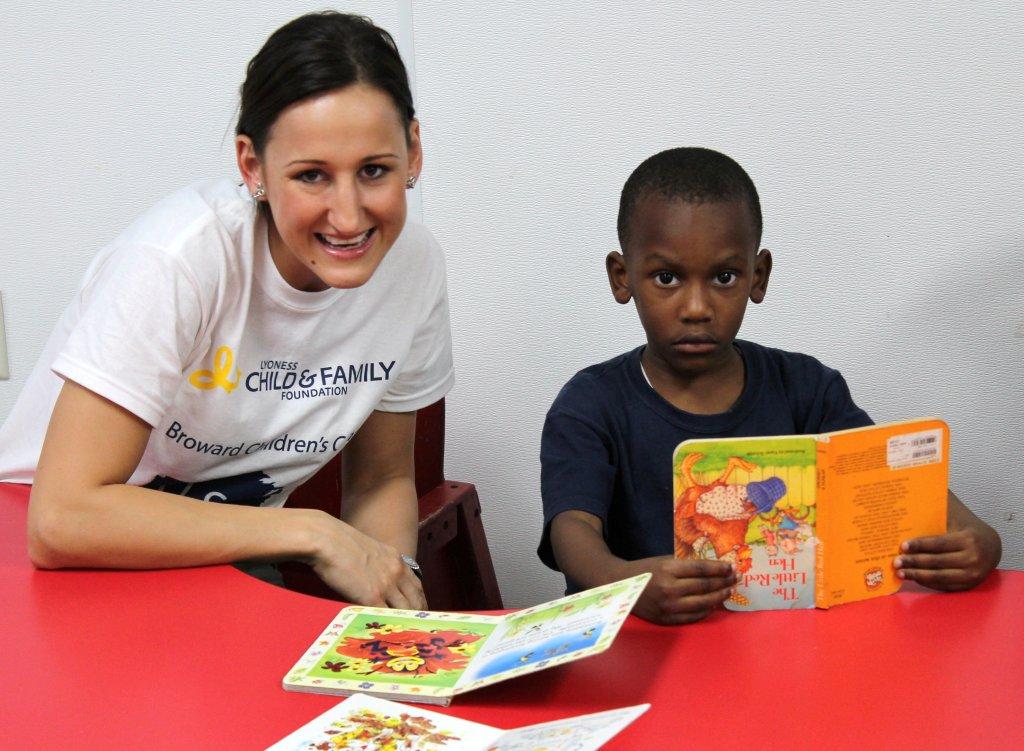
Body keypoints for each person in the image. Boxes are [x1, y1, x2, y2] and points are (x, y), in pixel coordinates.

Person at [0, 11, 451, 610]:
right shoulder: (175, 259)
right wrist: (311, 533)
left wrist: (393, 616)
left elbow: (382, 479)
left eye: (374, 171)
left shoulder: (411, 265)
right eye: (311, 176)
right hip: (48, 552)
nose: (348, 217)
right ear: (251, 166)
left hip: (218, 556)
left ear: (413, 151)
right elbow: (61, 517)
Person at [538, 147, 1002, 625]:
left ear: (757, 277)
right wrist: (627, 585)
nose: (696, 306)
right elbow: (571, 528)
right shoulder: (590, 404)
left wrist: (978, 537)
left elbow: (885, 477)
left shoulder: (807, 388)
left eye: (724, 277)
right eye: (667, 277)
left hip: (786, 645)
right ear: (622, 278)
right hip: (640, 652)